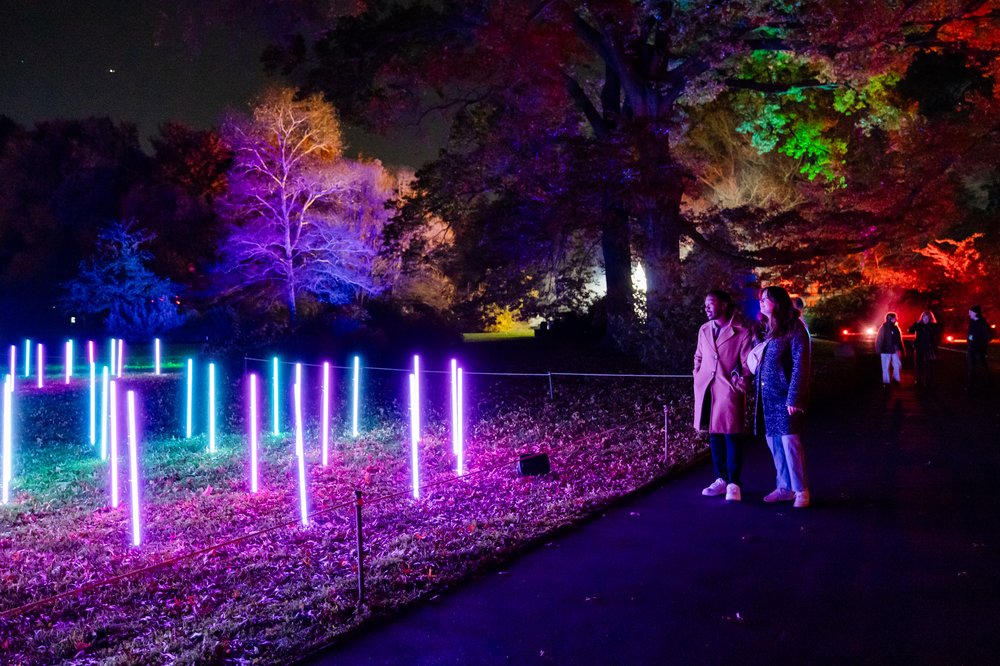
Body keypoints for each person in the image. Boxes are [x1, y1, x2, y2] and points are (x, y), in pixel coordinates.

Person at [693, 289, 755, 502]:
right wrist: (697, 375)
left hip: (729, 388)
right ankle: (720, 479)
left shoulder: (742, 331)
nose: (707, 308)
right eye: (705, 304)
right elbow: (698, 356)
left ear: (724, 304)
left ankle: (734, 483)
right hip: (707, 388)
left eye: (711, 303)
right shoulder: (703, 330)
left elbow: (748, 362)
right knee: (714, 434)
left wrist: (742, 380)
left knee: (732, 434)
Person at [753, 286, 811, 508]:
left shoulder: (795, 329)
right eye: (761, 299)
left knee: (790, 442)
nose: (762, 302)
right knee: (775, 442)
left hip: (785, 397)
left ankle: (801, 490)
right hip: (768, 397)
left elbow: (800, 364)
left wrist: (794, 397)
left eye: (767, 299)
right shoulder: (768, 329)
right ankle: (784, 487)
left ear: (779, 302)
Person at [908, 311, 940, 387]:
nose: (925, 319)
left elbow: (936, 337)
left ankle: (928, 381)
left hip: (929, 347)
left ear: (930, 318)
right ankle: (918, 380)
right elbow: (910, 330)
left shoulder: (933, 326)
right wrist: (915, 324)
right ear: (922, 317)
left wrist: (934, 346)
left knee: (929, 365)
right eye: (924, 317)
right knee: (918, 364)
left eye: (927, 317)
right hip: (919, 347)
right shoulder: (919, 325)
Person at [967, 305, 994, 389]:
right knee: (971, 367)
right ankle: (971, 385)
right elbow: (970, 334)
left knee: (982, 366)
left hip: (979, 350)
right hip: (972, 349)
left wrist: (977, 340)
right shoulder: (972, 322)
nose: (969, 314)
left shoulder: (982, 323)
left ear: (975, 313)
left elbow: (989, 336)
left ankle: (989, 383)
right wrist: (969, 341)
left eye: (970, 312)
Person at [875, 312, 905, 386]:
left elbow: (899, 339)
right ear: (890, 319)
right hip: (885, 350)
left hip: (895, 350)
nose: (895, 319)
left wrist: (902, 349)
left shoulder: (895, 328)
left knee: (897, 364)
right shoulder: (883, 328)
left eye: (895, 318)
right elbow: (879, 339)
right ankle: (886, 381)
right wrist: (878, 349)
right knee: (885, 366)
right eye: (894, 318)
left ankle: (896, 379)